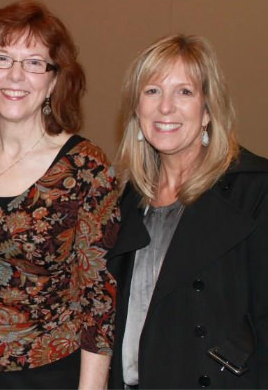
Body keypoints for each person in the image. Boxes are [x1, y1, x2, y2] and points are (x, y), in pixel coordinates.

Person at [0, 0, 120, 389]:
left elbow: (98, 300)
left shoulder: (86, 168)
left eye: (34, 62)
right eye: (2, 58)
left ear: (54, 80)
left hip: (46, 374)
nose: (15, 76)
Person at [108, 34, 268, 388]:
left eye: (184, 92)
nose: (165, 107)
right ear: (136, 109)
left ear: (208, 110)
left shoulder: (253, 192)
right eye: (152, 91)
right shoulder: (128, 201)